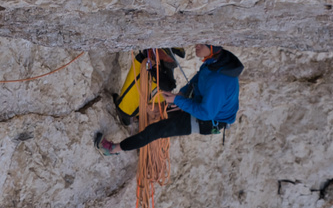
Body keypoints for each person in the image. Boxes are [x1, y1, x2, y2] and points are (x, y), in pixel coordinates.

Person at [95, 43, 243, 154]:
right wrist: (182, 94)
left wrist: (177, 101)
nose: (196, 45)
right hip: (202, 105)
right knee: (160, 110)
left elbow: (206, 113)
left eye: (202, 44)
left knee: (156, 130)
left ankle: (113, 149)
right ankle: (134, 119)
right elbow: (197, 80)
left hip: (208, 121)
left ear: (213, 48)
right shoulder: (216, 62)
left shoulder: (218, 81)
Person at [112, 47, 183, 126]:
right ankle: (166, 52)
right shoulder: (162, 100)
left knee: (165, 83)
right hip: (154, 66)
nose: (155, 114)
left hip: (148, 62)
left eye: (153, 116)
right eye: (158, 115)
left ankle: (163, 53)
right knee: (165, 84)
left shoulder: (130, 110)